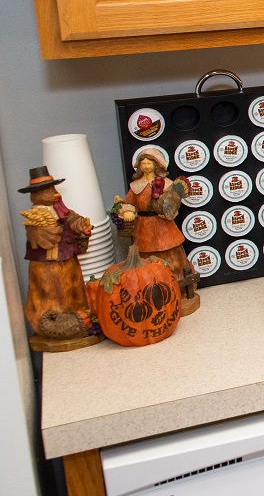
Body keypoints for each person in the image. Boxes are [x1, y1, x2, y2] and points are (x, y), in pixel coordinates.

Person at [17, 166, 100, 350]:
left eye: (52, 188)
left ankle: (79, 317)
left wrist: (81, 225)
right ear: (35, 195)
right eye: (46, 190)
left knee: (74, 287)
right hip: (48, 266)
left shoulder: (60, 209)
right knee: (52, 292)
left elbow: (73, 219)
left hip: (69, 260)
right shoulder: (35, 217)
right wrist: (43, 231)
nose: (52, 193)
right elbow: (38, 235)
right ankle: (54, 322)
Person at [114, 148, 200, 313]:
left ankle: (180, 292)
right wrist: (128, 211)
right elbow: (128, 202)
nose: (146, 166)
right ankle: (151, 296)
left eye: (149, 162)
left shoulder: (166, 184)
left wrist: (169, 208)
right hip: (144, 228)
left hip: (163, 226)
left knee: (173, 257)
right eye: (143, 163)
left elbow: (172, 204)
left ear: (156, 165)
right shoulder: (136, 186)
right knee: (147, 261)